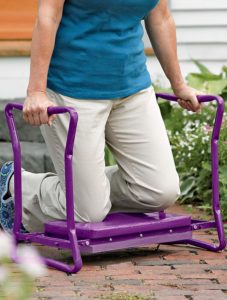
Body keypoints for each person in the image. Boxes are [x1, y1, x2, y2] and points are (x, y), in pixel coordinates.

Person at [0, 0, 203, 233]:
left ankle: (87, 189)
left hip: (133, 90)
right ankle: (16, 186)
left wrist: (179, 85)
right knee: (88, 212)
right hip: (72, 90)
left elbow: (161, 17)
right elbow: (48, 16)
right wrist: (36, 91)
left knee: (159, 191)